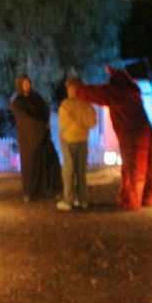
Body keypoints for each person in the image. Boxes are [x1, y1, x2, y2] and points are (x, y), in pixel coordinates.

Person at [76, 66, 152, 211]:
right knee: (151, 167)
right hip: (149, 131)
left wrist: (77, 90)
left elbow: (94, 93)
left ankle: (131, 200)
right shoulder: (133, 91)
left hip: (133, 134)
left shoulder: (116, 91)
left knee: (134, 168)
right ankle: (151, 197)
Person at [10, 74, 62, 201]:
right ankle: (30, 192)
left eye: (28, 83)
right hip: (28, 140)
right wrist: (40, 125)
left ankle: (50, 189)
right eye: (25, 83)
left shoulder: (36, 97)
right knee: (31, 166)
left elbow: (45, 110)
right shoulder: (18, 102)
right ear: (20, 85)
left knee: (50, 161)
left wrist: (45, 124)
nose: (27, 85)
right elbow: (24, 120)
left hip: (43, 137)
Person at [57, 77, 97, 211]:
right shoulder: (87, 105)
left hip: (68, 139)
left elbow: (64, 123)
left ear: (72, 89)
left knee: (68, 171)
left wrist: (66, 129)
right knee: (81, 171)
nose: (68, 90)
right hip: (83, 139)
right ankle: (82, 200)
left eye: (69, 88)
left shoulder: (66, 104)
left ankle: (68, 200)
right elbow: (92, 122)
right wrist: (82, 124)